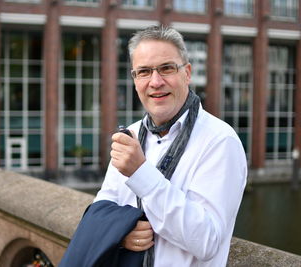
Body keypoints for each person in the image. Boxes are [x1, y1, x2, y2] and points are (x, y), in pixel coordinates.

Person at [94, 25, 247, 267]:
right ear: (135, 80)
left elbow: (206, 241)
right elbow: (102, 211)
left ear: (187, 73)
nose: (155, 82)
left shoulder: (220, 141)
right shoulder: (130, 135)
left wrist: (140, 172)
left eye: (166, 68)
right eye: (144, 72)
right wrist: (120, 234)